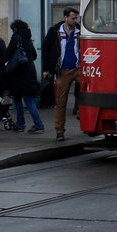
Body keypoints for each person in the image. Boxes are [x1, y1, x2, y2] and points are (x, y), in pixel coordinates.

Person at [42, 7, 81, 141]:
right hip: (62, 70)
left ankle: (83, 113)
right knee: (61, 101)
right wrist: (46, 69)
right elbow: (46, 49)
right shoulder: (55, 31)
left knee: (90, 90)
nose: (75, 21)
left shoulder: (80, 31)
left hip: (78, 68)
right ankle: (59, 130)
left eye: (76, 18)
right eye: (73, 18)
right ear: (65, 18)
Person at [4, 19, 45, 133]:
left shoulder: (16, 37)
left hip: (19, 73)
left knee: (19, 99)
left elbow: (8, 53)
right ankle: (32, 124)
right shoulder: (28, 39)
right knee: (28, 99)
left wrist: (1, 62)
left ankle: (30, 124)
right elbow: (34, 55)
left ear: (15, 29)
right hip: (30, 71)